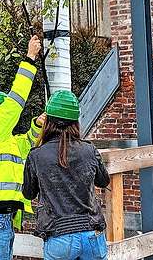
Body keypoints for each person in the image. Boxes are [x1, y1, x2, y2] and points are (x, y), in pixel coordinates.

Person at [0, 35, 46, 260]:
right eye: (4, 110)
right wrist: (30, 58)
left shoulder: (3, 138)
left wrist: (37, 125)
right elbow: (16, 101)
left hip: (0, 217)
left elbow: (27, 144)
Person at [23, 91, 111, 260]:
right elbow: (103, 180)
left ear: (47, 122)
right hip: (90, 232)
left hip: (58, 235)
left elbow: (28, 193)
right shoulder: (89, 149)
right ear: (76, 122)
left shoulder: (36, 155)